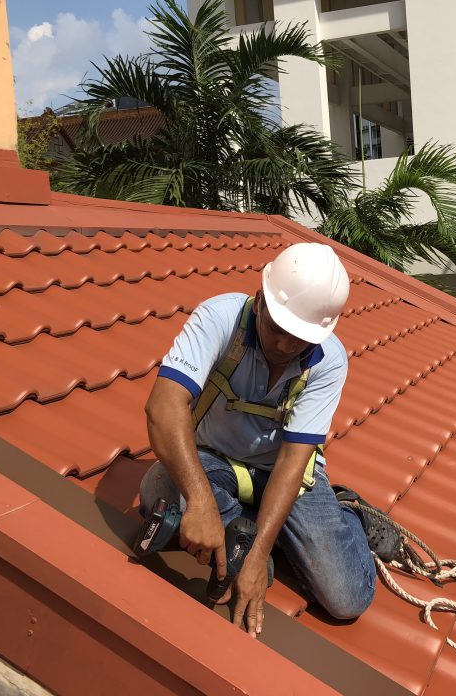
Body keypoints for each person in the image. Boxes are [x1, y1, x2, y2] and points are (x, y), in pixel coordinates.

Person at [138, 242, 378, 638]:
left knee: (346, 597)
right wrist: (200, 501)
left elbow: (292, 460)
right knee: (157, 492)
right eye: (278, 329)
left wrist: (258, 552)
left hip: (283, 473)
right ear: (261, 298)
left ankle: (348, 514)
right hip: (215, 459)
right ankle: (244, 525)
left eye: (298, 339)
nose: (284, 347)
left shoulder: (329, 360)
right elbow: (163, 408)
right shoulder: (219, 317)